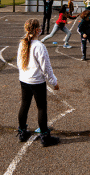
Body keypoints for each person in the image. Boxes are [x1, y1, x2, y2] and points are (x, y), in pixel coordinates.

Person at [17, 18, 60, 147]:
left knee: (25, 104)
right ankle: (45, 137)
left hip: (24, 79)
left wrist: (23, 75)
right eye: (40, 27)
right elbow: (46, 67)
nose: (41, 29)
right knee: (41, 107)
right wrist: (54, 82)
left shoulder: (23, 43)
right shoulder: (39, 46)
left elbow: (19, 63)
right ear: (37, 30)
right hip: (36, 81)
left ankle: (22, 132)